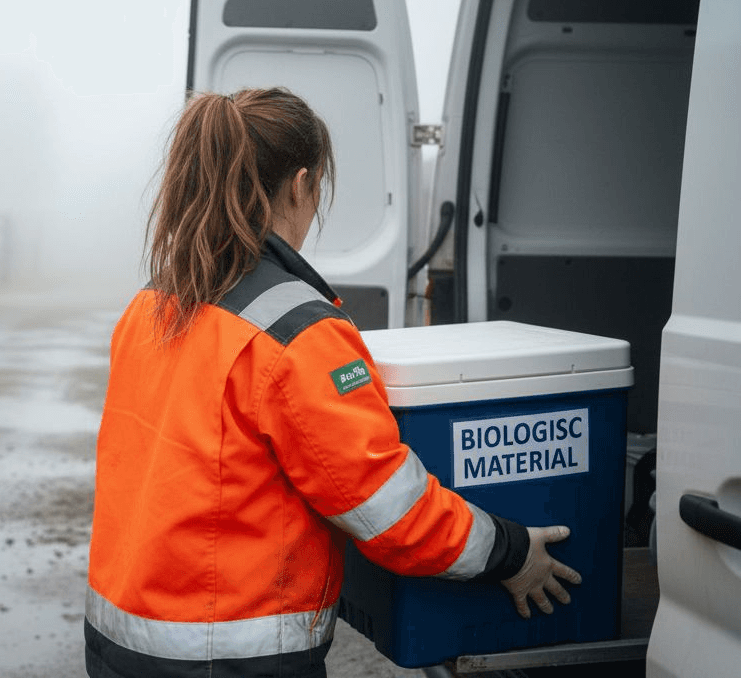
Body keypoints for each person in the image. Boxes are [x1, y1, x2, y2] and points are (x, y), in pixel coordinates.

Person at [84, 88, 581, 678]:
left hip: (119, 645)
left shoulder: (155, 303)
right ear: (301, 184)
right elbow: (389, 511)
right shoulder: (296, 331)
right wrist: (512, 552)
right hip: (227, 662)